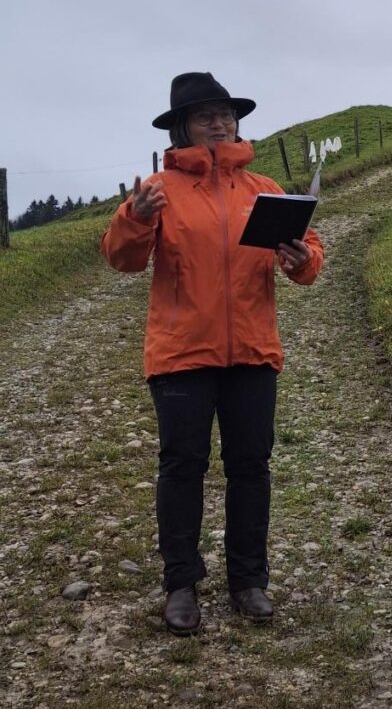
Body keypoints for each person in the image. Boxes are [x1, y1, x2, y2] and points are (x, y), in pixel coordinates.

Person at [101, 72, 325, 635]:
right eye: (205, 115)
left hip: (252, 351)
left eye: (225, 114)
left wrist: (300, 258)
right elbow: (121, 260)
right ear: (182, 127)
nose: (219, 123)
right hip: (181, 355)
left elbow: (309, 264)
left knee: (251, 468)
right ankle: (181, 585)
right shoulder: (158, 190)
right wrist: (137, 217)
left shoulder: (263, 188)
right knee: (183, 468)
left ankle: (249, 581)